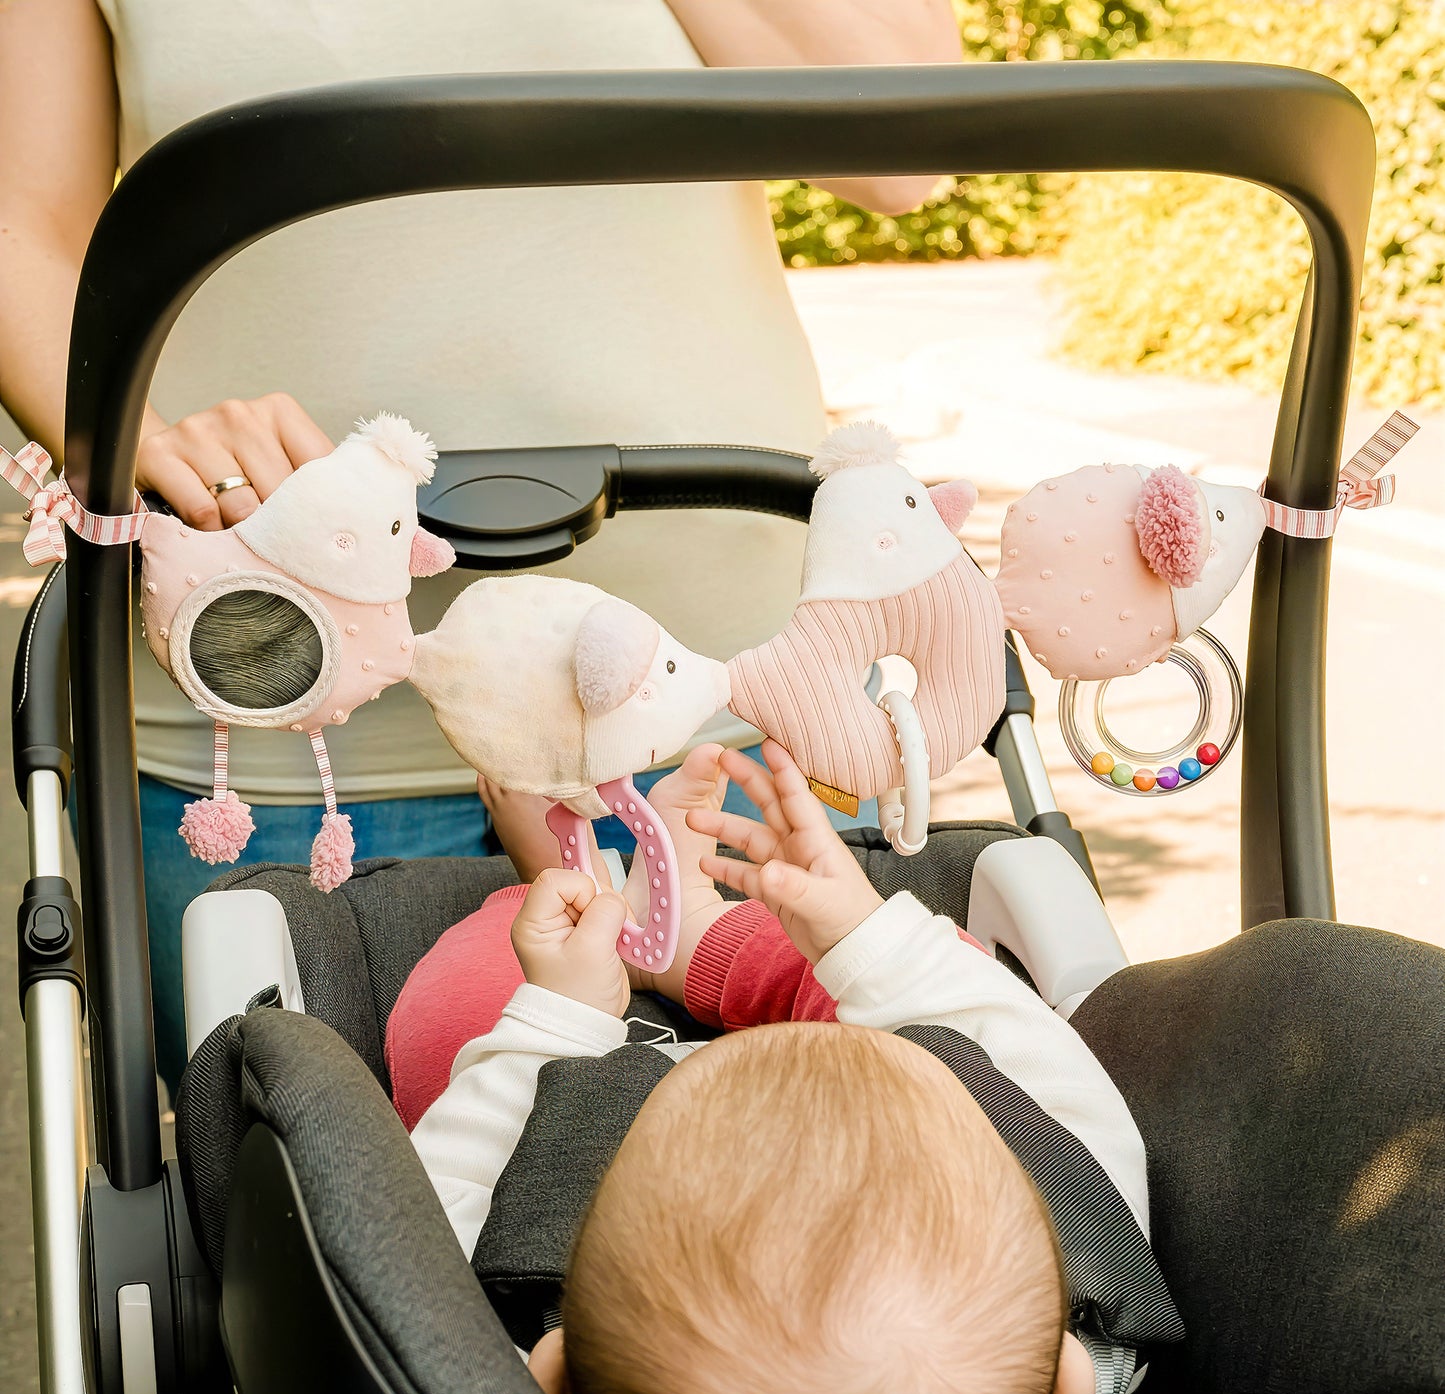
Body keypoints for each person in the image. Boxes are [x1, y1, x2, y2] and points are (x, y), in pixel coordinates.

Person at [0, 0, 964, 1086]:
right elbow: (21, 221)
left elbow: (902, 151)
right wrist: (142, 435)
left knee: (828, 1147)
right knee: (309, 1175)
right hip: (275, 719)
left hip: (712, 707)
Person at [406, 742, 1181, 1394]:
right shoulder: (1065, 1358)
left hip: (586, 1106)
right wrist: (864, 936)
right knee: (929, 1005)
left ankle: (562, 883)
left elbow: (428, 1223)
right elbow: (1057, 1095)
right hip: (853, 1069)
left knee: (462, 1003)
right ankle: (690, 939)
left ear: (551, 1381)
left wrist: (558, 1015)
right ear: (1064, 1391)